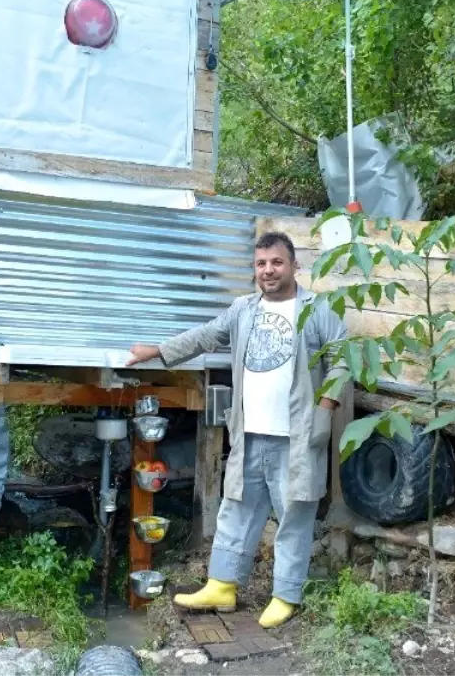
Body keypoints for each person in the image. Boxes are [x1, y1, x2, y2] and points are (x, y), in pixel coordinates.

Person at [127, 231, 348, 629]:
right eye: (261, 264)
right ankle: (222, 584)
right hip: (249, 434)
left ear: (294, 266)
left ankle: (286, 595)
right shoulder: (243, 309)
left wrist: (325, 406)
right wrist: (158, 351)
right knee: (236, 509)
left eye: (277, 262)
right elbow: (205, 335)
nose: (268, 270)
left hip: (295, 436)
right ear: (255, 269)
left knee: (294, 515)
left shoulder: (317, 309)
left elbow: (342, 359)